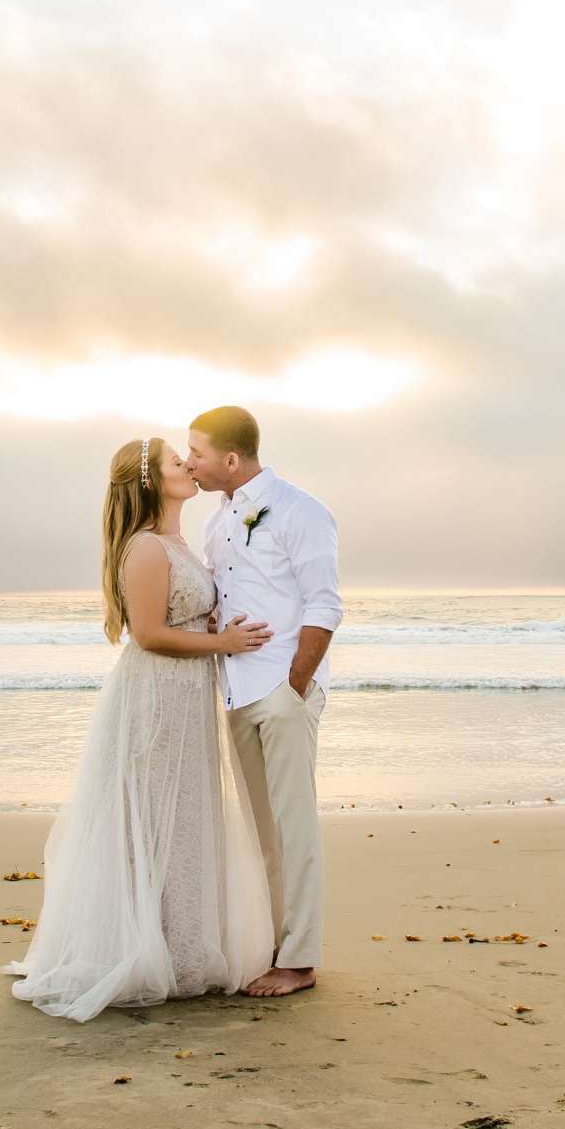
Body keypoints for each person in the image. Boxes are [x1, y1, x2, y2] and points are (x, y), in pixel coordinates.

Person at [2, 436, 277, 1021]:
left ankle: (180, 948)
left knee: (182, 818)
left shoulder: (180, 543)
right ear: (153, 481)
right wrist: (221, 642)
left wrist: (222, 629)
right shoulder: (147, 549)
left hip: (185, 696)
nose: (190, 467)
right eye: (179, 462)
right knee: (154, 816)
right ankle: (143, 950)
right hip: (156, 695)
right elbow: (149, 633)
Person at [183, 405, 341, 998]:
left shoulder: (302, 511)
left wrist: (294, 687)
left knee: (294, 827)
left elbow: (325, 605)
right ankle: (275, 943)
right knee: (260, 832)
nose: (189, 462)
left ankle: (300, 960)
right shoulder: (215, 522)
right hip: (235, 689)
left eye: (196, 453)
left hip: (280, 689)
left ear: (229, 458)